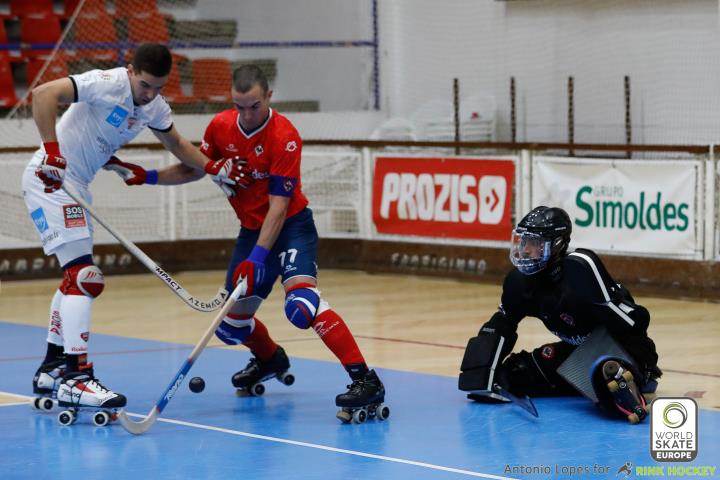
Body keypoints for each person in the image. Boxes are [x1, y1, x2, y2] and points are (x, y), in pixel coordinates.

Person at [113, 65, 387, 422]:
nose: (245, 114)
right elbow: (197, 168)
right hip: (251, 231)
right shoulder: (221, 127)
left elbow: (279, 206)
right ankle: (270, 358)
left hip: (290, 228)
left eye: (253, 106)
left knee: (301, 306)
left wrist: (258, 256)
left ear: (269, 96)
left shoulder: (284, 136)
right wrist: (147, 176)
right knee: (231, 326)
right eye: (239, 106)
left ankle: (365, 379)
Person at [24, 43, 248, 414]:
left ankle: (52, 369)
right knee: (85, 278)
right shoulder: (106, 82)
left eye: (158, 88)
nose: (150, 95)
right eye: (145, 86)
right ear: (130, 70)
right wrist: (51, 150)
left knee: (74, 278)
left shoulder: (154, 107)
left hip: (77, 185)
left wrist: (213, 168)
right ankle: (76, 378)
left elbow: (176, 143)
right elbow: (43, 94)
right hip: (52, 181)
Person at [458, 206, 662, 423]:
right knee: (516, 372)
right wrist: (481, 373)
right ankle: (603, 380)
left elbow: (636, 323)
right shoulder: (519, 282)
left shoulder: (580, 268)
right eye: (523, 242)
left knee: (603, 372)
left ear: (556, 246)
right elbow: (503, 323)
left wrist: (610, 300)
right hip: (578, 354)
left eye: (534, 243)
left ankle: (629, 385)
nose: (525, 250)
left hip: (623, 346)